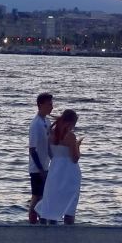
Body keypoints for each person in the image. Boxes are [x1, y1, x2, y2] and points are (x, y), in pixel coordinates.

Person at [35, 109, 83, 225]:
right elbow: (75, 158)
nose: (73, 127)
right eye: (73, 124)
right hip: (69, 171)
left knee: (52, 196)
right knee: (70, 201)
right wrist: (77, 145)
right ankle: (68, 230)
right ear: (70, 122)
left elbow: (51, 154)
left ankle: (48, 221)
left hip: (55, 169)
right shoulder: (70, 136)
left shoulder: (51, 133)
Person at [28, 92, 54, 224]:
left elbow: (48, 144)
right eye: (49, 104)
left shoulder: (46, 121)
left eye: (52, 104)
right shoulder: (35, 124)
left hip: (46, 165)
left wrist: (54, 161)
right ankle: (32, 222)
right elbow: (32, 149)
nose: (52, 107)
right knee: (36, 196)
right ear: (41, 105)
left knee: (44, 195)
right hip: (37, 167)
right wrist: (40, 169)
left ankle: (41, 219)